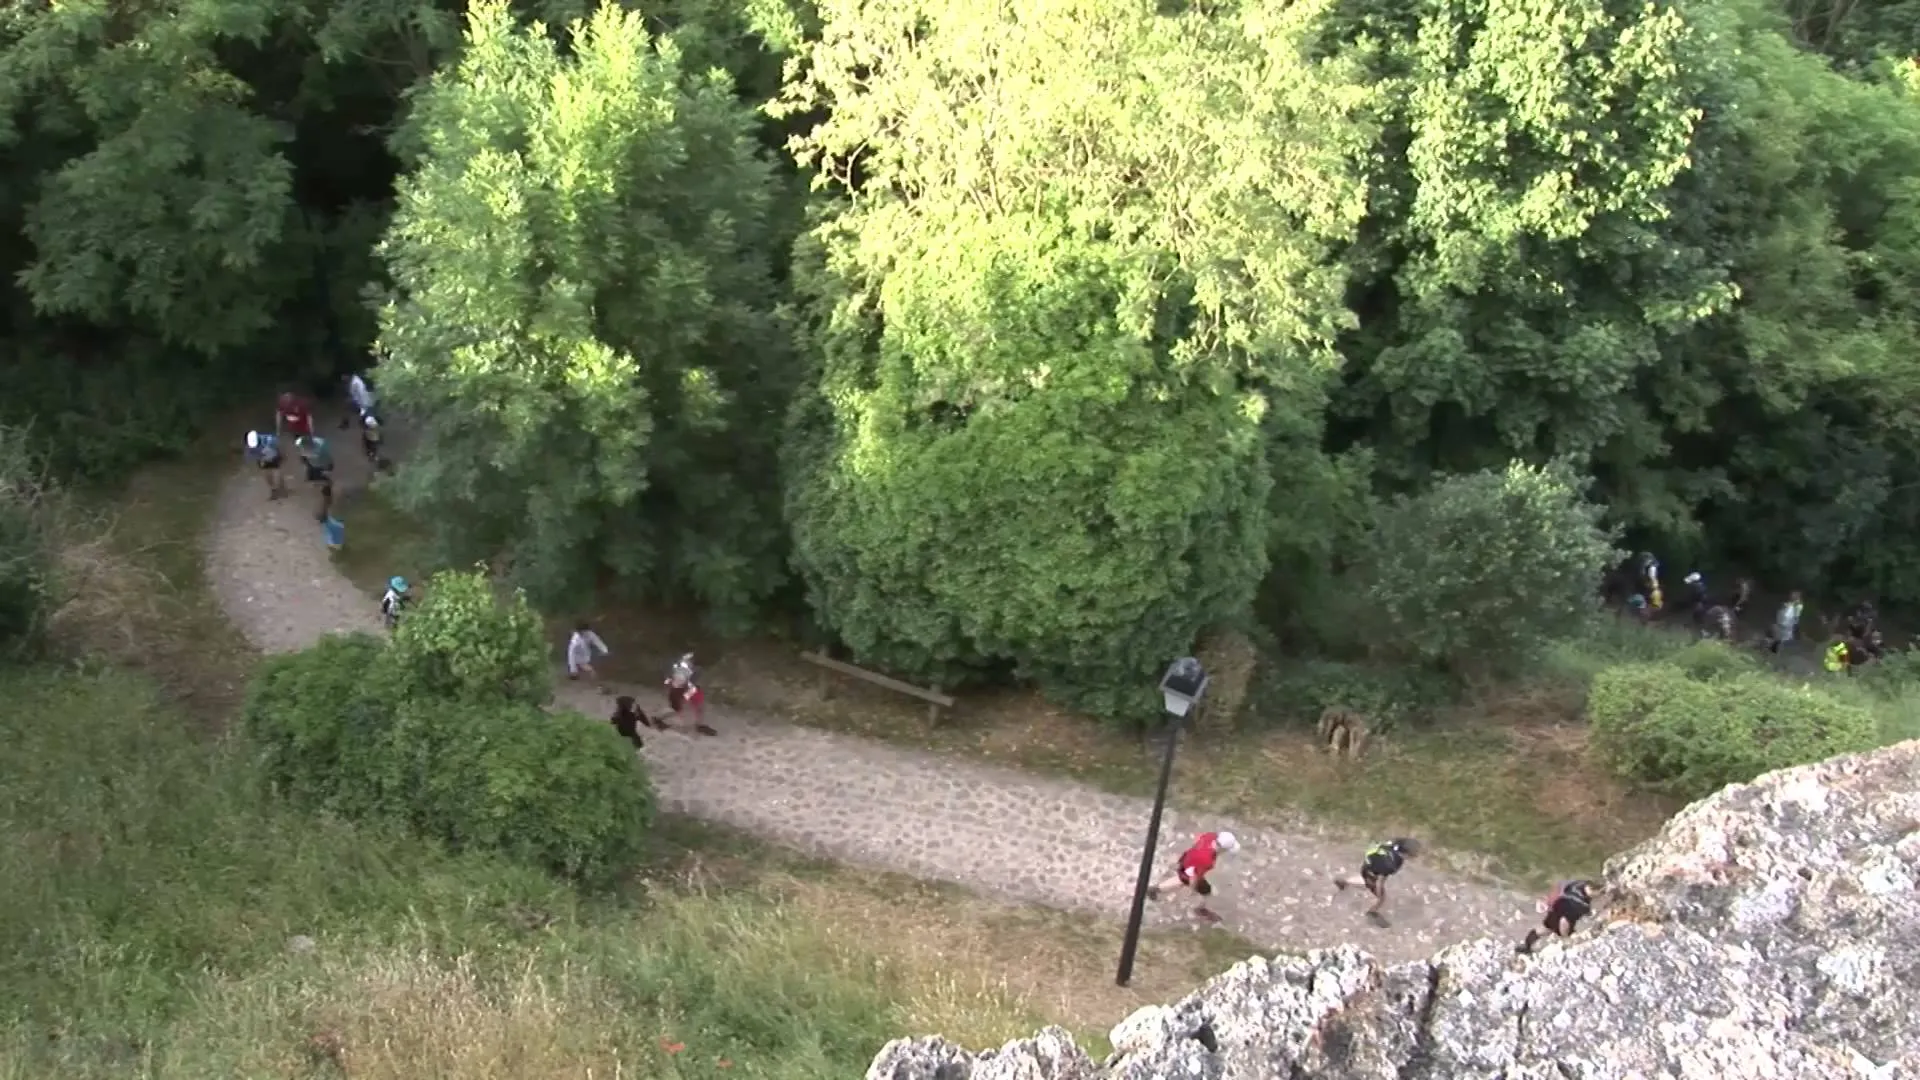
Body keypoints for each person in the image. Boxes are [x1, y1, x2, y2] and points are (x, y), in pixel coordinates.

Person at [1146, 830, 1240, 925]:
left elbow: (1198, 838)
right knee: (1189, 883)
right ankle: (1199, 909)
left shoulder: (1210, 836)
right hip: (1192, 867)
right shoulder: (1206, 860)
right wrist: (1192, 890)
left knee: (1185, 880)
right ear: (1222, 849)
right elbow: (1194, 877)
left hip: (1189, 857)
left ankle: (1156, 889)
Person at [1333, 837, 1421, 927]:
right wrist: (1379, 894)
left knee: (1364, 880)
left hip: (1368, 865)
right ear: (1405, 853)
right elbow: (1380, 880)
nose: (1415, 855)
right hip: (1373, 873)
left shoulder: (1392, 844)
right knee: (1381, 898)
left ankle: (1344, 882)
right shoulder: (1392, 864)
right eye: (1413, 854)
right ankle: (1371, 912)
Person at [1518, 879, 1596, 954]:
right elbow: (1564, 921)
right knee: (1564, 932)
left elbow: (1561, 885)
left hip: (1557, 910)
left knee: (1541, 931)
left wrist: (1549, 900)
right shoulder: (1583, 904)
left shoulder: (1578, 885)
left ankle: (1526, 947)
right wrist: (1566, 938)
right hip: (1561, 915)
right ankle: (1565, 945)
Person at [665, 652, 718, 736]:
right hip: (682, 689)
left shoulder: (694, 668)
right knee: (679, 709)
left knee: (699, 706)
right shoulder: (681, 666)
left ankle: (699, 725)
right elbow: (677, 680)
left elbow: (691, 681)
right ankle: (662, 720)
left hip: (690, 688)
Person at [245, 430, 286, 499]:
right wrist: (260, 459)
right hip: (263, 461)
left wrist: (279, 455)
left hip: (274, 459)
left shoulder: (268, 439)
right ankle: (275, 490)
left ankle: (280, 490)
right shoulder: (250, 445)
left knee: (276, 476)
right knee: (268, 477)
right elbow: (251, 455)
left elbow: (277, 447)